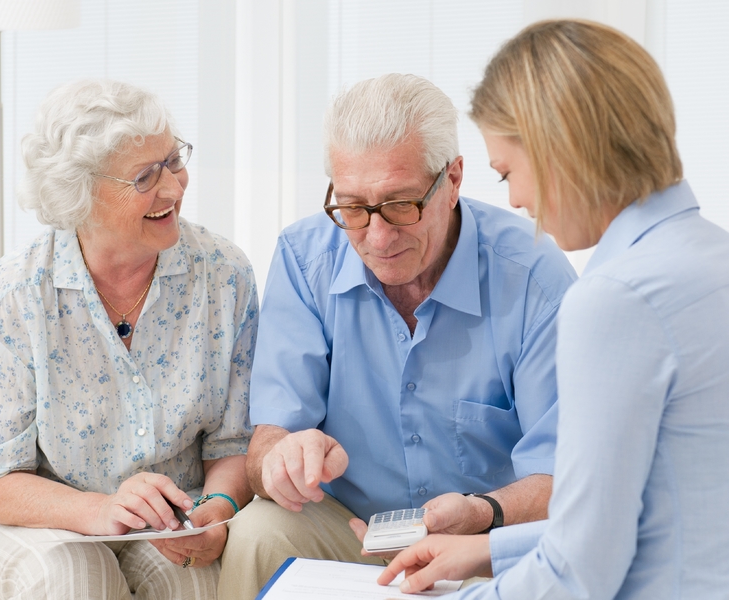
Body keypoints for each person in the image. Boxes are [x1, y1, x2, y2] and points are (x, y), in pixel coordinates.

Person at [379, 19, 729, 599]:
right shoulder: (709, 257)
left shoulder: (617, 299)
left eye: (509, 172)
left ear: (561, 147)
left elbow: (580, 570)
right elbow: (632, 516)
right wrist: (485, 550)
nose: (516, 200)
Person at [217, 73, 577, 599]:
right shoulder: (304, 258)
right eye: (354, 208)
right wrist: (285, 460)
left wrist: (484, 513)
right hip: (349, 533)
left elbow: (565, 475)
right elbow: (268, 441)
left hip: (485, 541)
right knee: (258, 532)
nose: (378, 237)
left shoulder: (534, 278)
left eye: (401, 204)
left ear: (452, 181)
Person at [0, 80, 258, 600]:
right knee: (79, 581)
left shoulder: (223, 275)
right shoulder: (16, 293)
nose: (173, 188)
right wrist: (100, 510)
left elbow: (232, 443)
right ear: (78, 194)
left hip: (168, 517)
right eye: (145, 176)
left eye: (173, 161)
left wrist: (216, 510)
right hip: (37, 513)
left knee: (195, 586)